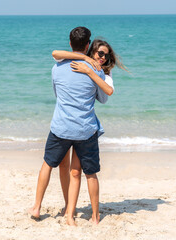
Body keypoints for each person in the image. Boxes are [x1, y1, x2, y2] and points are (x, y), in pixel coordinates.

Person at [28, 27, 108, 226]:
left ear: (70, 43)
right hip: (84, 130)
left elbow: (57, 92)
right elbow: (102, 98)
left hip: (61, 127)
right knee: (78, 172)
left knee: (48, 164)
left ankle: (37, 207)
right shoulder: (96, 70)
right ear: (88, 45)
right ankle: (72, 214)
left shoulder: (57, 68)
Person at [51, 39, 126, 225]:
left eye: (106, 55)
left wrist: (91, 72)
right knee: (74, 172)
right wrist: (82, 59)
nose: (102, 57)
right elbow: (56, 54)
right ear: (91, 52)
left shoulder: (103, 74)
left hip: (87, 129)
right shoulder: (80, 64)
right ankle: (70, 212)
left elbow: (107, 92)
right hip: (77, 127)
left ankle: (95, 215)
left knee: (90, 173)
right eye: (100, 53)